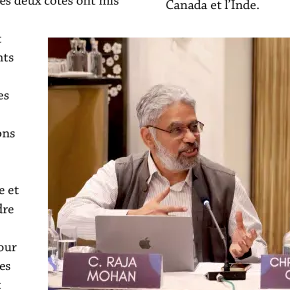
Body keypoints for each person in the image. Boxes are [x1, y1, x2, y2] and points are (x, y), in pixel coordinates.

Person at [57, 84, 267, 265]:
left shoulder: (224, 182)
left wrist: (244, 252)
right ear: (148, 137)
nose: (191, 138)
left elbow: (258, 249)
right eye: (177, 130)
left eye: (194, 127)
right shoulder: (118, 173)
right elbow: (67, 219)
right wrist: (134, 218)